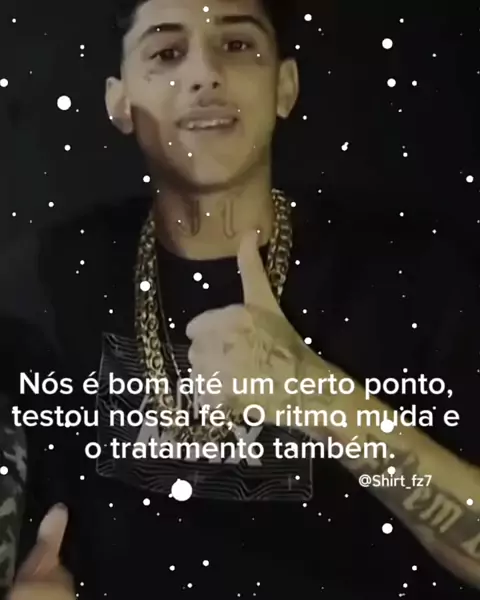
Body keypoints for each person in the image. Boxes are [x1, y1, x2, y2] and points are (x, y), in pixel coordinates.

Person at [2, 0, 479, 598]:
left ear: (284, 86)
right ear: (119, 101)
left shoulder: (412, 276)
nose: (205, 74)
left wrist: (315, 395)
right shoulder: (45, 281)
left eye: (236, 45)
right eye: (166, 52)